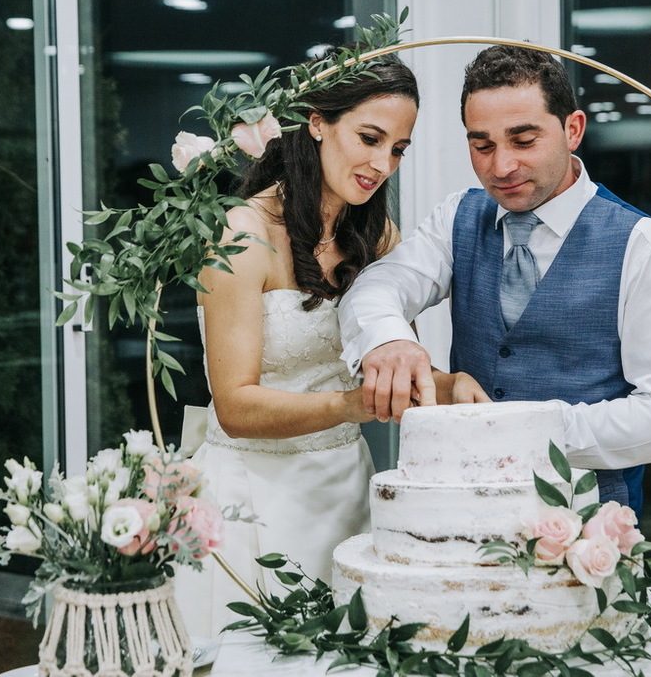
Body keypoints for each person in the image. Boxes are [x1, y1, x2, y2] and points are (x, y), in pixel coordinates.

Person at [175, 57, 483, 638]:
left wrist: (449, 386)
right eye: (370, 138)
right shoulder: (241, 232)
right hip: (251, 497)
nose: (382, 165)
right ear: (316, 122)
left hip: (345, 490)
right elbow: (235, 407)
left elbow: (392, 367)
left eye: (398, 150)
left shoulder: (377, 236)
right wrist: (351, 406)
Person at [337, 45, 651, 516]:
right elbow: (380, 285)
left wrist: (524, 428)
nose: (501, 167)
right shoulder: (458, 217)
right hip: (460, 505)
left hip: (583, 519)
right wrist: (388, 339)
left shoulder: (645, 248)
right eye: (482, 146)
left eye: (524, 140)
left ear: (573, 130)